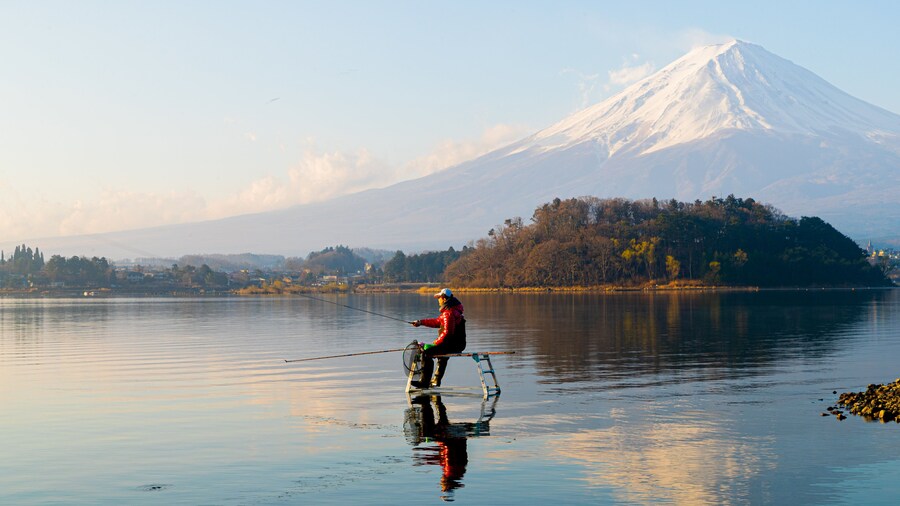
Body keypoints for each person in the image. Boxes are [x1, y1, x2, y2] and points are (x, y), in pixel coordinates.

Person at [410, 288, 466, 388]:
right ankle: (436, 381)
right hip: (458, 344)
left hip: (452, 345)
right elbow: (437, 322)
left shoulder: (448, 313)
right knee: (441, 354)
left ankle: (424, 382)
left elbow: (448, 333)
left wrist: (436, 343)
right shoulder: (453, 311)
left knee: (426, 353)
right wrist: (420, 322)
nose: (438, 300)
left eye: (439, 298)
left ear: (444, 299)